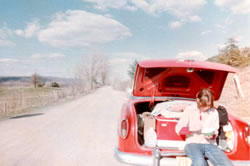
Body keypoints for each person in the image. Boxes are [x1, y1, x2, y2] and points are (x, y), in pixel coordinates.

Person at [175, 88, 233, 166]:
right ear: (198, 101)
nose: (207, 108)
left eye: (209, 105)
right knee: (200, 163)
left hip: (210, 144)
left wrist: (212, 135)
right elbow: (178, 129)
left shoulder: (214, 112)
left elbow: (215, 130)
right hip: (192, 143)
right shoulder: (189, 110)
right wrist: (191, 128)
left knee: (227, 164)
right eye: (205, 106)